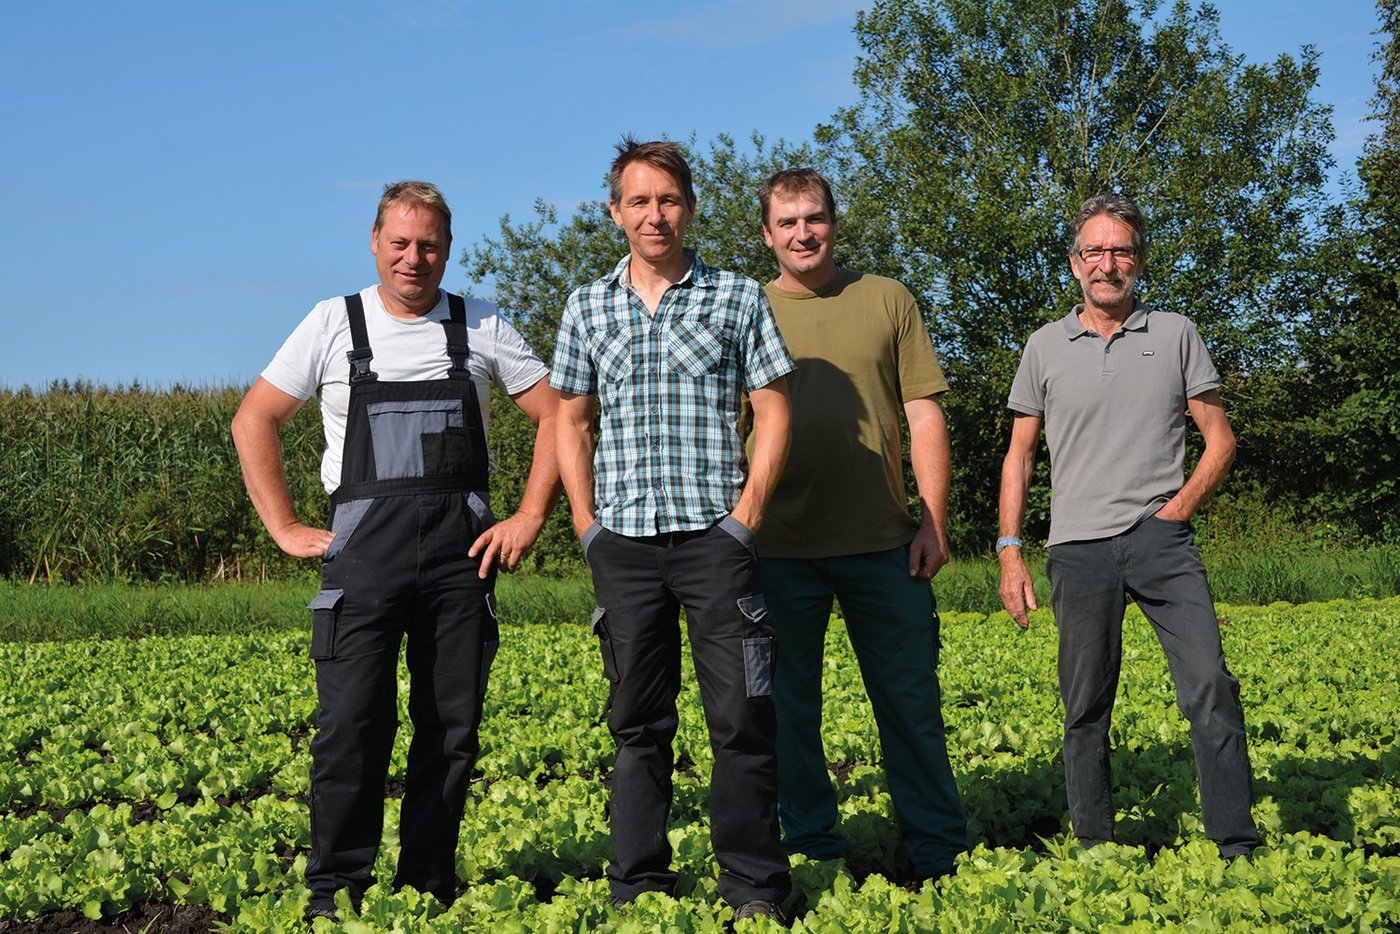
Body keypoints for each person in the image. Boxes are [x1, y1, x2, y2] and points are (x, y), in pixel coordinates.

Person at [230, 181, 561, 918]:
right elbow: (254, 419)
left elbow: (558, 416)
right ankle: (335, 893)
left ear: (448, 247)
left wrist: (529, 515)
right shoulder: (332, 323)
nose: (415, 259)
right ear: (376, 243)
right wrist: (283, 527)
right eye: (401, 244)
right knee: (351, 727)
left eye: (430, 245)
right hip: (363, 562)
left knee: (449, 732)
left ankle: (425, 891)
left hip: (459, 562)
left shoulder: (481, 324)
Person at [551, 139, 794, 921]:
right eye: (639, 201)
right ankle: (639, 885)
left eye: (669, 200)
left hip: (712, 541)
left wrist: (745, 519)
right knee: (637, 723)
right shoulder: (588, 306)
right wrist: (587, 526)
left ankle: (753, 889)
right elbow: (570, 422)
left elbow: (774, 412)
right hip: (622, 545)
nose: (655, 215)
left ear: (689, 207)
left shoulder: (735, 298)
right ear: (615, 211)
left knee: (742, 719)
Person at [996, 194, 1260, 858]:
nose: (1107, 263)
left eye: (1120, 251)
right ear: (1074, 262)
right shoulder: (1044, 347)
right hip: (1077, 549)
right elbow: (1020, 454)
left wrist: (1176, 510)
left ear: (1137, 261)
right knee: (1085, 706)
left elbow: (1220, 438)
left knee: (1210, 685)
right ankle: (1095, 847)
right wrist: (1008, 550)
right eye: (1095, 251)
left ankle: (1237, 844)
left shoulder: (1175, 333)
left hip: (1161, 542)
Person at [752, 168, 969, 880]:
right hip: (775, 550)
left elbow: (923, 413)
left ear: (834, 223)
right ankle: (812, 850)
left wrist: (933, 522)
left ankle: (935, 850)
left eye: (813, 218)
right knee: (787, 715)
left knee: (910, 706)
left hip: (885, 542)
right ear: (767, 234)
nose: (802, 233)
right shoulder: (744, 308)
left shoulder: (887, 298)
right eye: (787, 223)